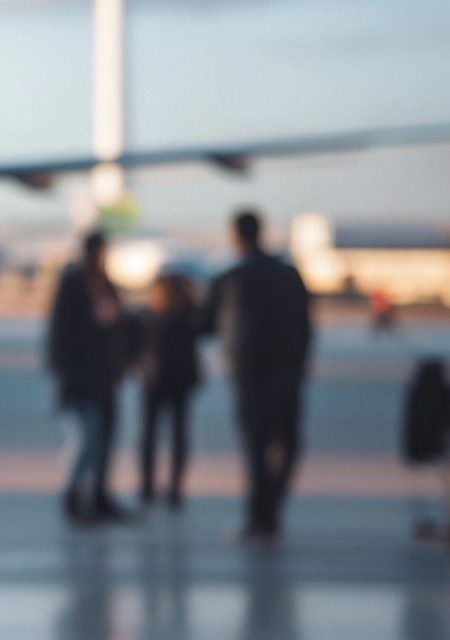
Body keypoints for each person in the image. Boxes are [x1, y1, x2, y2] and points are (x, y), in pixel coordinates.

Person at [201, 209, 312, 542]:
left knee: (256, 449)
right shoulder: (289, 275)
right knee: (288, 445)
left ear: (236, 235)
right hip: (287, 374)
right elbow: (307, 328)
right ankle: (269, 511)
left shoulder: (230, 278)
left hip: (249, 376)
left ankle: (260, 515)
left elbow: (201, 325)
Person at [48, 231, 127, 523]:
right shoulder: (73, 282)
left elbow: (117, 328)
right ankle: (73, 497)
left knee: (104, 440)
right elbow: (59, 332)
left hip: (105, 377)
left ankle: (98, 498)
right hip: (80, 378)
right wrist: (62, 372)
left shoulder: (105, 283)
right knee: (86, 440)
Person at [136, 272, 201, 509]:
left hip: (164, 380)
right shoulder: (170, 315)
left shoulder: (174, 315)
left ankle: (161, 488)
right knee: (162, 435)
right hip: (163, 380)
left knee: (162, 435)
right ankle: (158, 488)